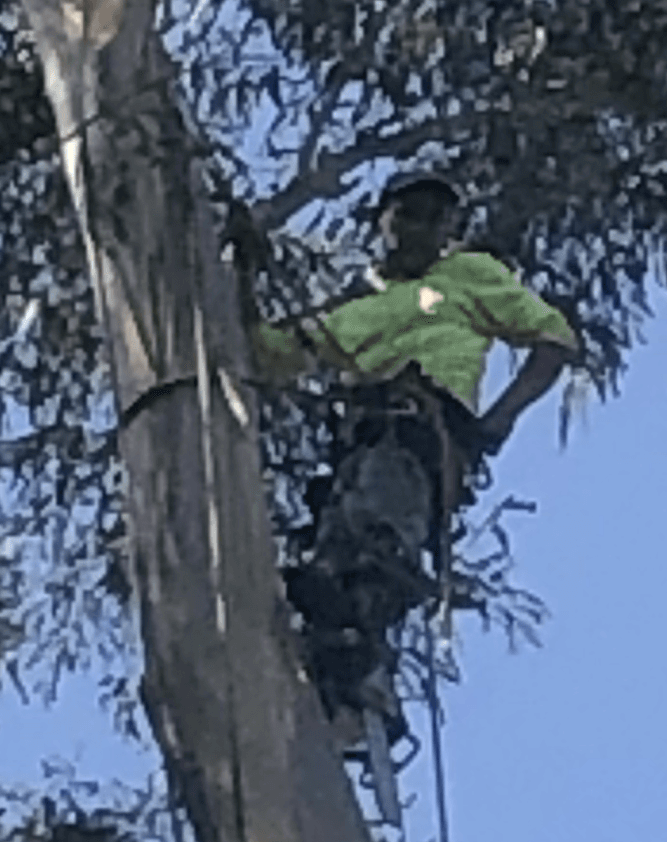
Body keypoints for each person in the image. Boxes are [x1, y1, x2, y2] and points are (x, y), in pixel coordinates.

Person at [248, 173, 579, 786]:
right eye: (408, 212)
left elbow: (554, 339)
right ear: (383, 221)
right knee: (329, 560)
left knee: (378, 538)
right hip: (355, 440)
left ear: (450, 228)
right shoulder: (356, 303)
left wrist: (498, 419)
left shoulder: (469, 276)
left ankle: (364, 657)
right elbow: (269, 350)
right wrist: (230, 276)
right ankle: (341, 684)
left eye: (435, 215)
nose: (421, 226)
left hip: (423, 432)